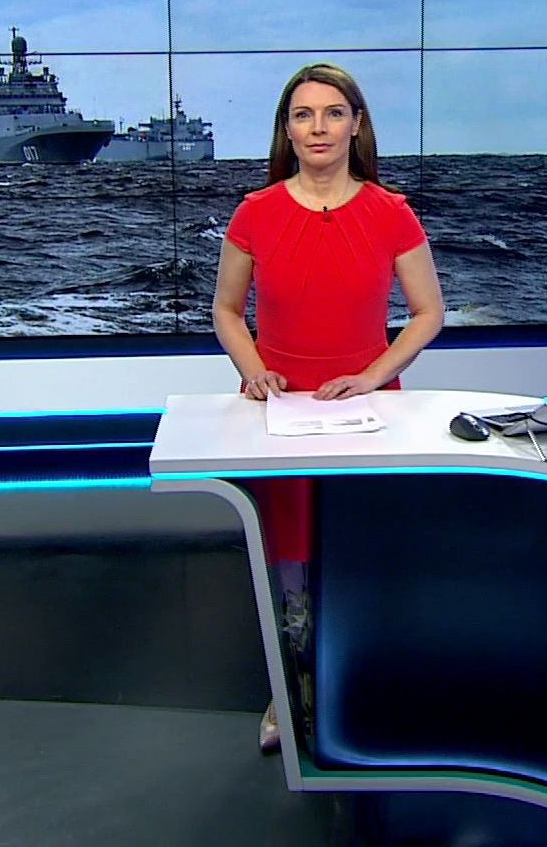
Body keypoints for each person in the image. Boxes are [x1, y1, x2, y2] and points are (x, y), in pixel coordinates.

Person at [213, 63, 444, 753]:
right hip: (279, 407)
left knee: (362, 549)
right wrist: (253, 370)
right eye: (304, 114)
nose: (319, 128)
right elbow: (227, 311)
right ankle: (290, 692)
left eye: (333, 113)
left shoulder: (391, 213)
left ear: (356, 124)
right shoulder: (255, 213)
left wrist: (372, 376)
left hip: (365, 406)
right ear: (287, 129)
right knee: (289, 559)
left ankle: (363, 687)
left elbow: (428, 313)